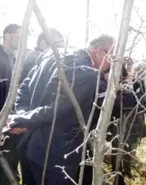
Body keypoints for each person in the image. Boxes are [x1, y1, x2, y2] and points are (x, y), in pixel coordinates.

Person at [6, 34, 115, 185]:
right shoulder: (87, 73)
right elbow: (59, 109)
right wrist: (22, 120)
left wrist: (23, 114)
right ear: (98, 51)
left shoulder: (51, 54)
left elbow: (25, 86)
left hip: (29, 145)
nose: (112, 64)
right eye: (112, 57)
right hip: (56, 155)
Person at [0, 23, 21, 185]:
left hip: (11, 118)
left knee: (10, 159)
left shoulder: (14, 57)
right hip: (2, 116)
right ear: (8, 35)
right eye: (19, 36)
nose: (21, 40)